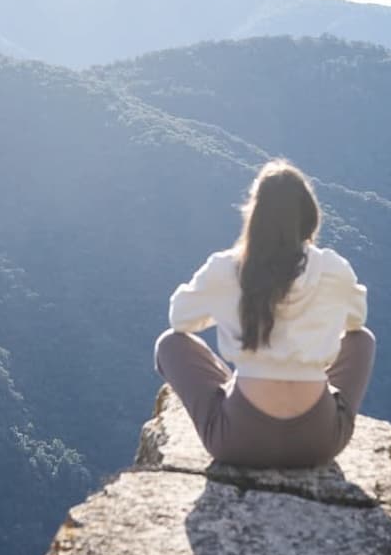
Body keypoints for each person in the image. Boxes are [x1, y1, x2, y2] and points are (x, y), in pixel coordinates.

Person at [155, 159, 376, 469]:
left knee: (169, 344)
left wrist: (225, 305)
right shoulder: (333, 269)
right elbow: (358, 319)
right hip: (318, 442)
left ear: (254, 216)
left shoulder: (227, 268)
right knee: (362, 340)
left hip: (238, 442)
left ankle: (242, 387)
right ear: (309, 216)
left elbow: (180, 320)